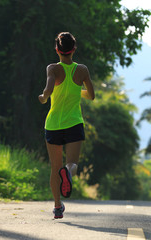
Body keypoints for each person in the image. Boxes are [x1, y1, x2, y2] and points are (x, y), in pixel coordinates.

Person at [38, 32, 95, 219]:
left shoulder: (52, 68)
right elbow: (91, 95)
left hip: (53, 124)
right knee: (72, 164)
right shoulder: (82, 70)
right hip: (74, 124)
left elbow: (48, 89)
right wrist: (78, 90)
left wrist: (43, 97)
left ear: (57, 49)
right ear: (74, 49)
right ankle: (68, 173)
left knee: (55, 168)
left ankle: (57, 207)